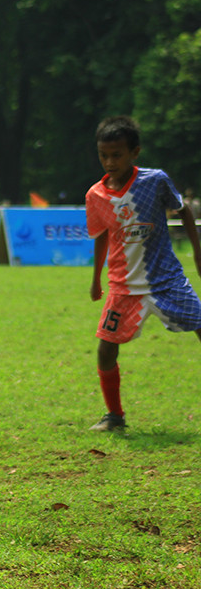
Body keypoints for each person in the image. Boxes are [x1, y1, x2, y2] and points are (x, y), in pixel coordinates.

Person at [86, 115, 201, 432]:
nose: (110, 162)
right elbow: (101, 236)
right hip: (123, 287)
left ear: (134, 153)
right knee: (105, 348)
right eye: (103, 155)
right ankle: (114, 416)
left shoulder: (155, 181)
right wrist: (96, 278)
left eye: (117, 155)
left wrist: (198, 253)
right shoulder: (95, 195)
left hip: (167, 280)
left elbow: (184, 211)